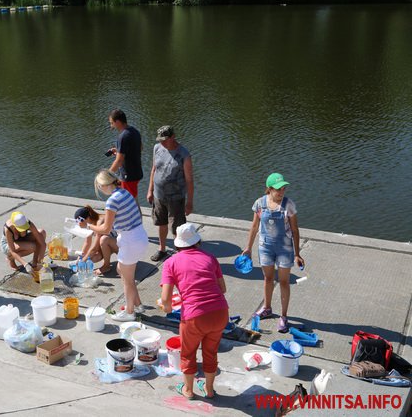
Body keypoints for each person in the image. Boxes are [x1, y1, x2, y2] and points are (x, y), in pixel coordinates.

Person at [160, 223, 228, 400]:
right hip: (220, 312)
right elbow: (223, 289)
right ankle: (209, 389)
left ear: (177, 244)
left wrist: (165, 306)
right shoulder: (210, 258)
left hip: (194, 316)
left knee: (188, 353)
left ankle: (188, 390)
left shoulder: (170, 263)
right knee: (210, 352)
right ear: (198, 242)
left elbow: (166, 301)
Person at [241, 173, 304, 333]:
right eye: (278, 189)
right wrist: (248, 248)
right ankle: (267, 308)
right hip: (266, 247)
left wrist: (297, 253)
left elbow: (295, 230)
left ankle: (283, 316)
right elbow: (254, 227)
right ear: (269, 189)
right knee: (267, 278)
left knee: (284, 282)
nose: (282, 192)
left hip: (285, 248)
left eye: (283, 188)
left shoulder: (288, 205)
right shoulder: (259, 204)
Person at [88, 169, 148, 321]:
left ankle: (129, 313)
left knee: (127, 281)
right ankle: (138, 304)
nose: (100, 190)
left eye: (100, 187)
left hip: (130, 241)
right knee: (122, 270)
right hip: (139, 236)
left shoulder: (112, 201)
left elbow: (106, 229)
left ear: (104, 185)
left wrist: (89, 227)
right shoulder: (125, 192)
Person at [146, 125, 194, 262]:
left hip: (176, 197)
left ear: (173, 137)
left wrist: (189, 202)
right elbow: (153, 170)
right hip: (159, 195)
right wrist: (150, 190)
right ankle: (162, 249)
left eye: (164, 140)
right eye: (160, 140)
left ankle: (181, 254)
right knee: (161, 223)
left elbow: (190, 180)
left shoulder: (184, 154)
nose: (161, 142)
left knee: (177, 228)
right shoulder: (157, 148)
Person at [107, 109, 143, 199]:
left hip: (128, 176)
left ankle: (134, 213)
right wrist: (120, 151)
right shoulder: (134, 131)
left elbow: (119, 161)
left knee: (130, 201)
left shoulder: (122, 137)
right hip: (136, 172)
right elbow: (140, 148)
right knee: (132, 199)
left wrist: (107, 174)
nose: (111, 126)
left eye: (112, 123)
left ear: (118, 122)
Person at [74, 205, 118, 275]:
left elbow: (95, 248)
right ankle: (105, 263)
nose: (79, 224)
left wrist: (83, 261)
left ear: (88, 217)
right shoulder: (89, 224)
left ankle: (106, 266)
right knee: (93, 258)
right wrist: (80, 257)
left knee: (103, 239)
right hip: (108, 245)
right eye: (77, 221)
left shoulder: (100, 221)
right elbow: (87, 242)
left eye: (80, 220)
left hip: (119, 246)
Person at [0, 211, 47, 276]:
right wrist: (25, 264)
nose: (24, 230)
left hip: (21, 240)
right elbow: (12, 250)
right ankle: (10, 259)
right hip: (8, 245)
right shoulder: (8, 229)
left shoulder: (27, 223)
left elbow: (42, 243)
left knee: (42, 233)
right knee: (32, 246)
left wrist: (39, 263)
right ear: (15, 226)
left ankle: (35, 263)